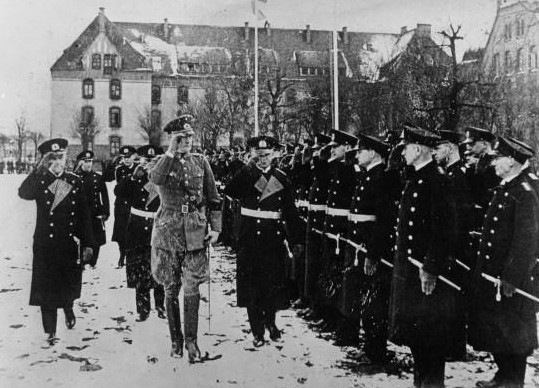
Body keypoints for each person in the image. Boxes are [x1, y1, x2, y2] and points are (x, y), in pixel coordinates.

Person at [149, 114, 222, 362]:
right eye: (182, 138)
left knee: (192, 285)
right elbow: (155, 180)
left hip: (195, 231)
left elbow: (213, 198)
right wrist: (170, 152)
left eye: (190, 136)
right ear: (172, 139)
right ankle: (175, 341)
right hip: (169, 231)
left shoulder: (201, 162)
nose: (188, 141)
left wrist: (216, 228)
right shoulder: (162, 162)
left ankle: (191, 342)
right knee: (171, 286)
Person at [388, 125, 457, 388]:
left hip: (425, 273)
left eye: (405, 148)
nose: (402, 153)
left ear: (417, 149)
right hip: (412, 270)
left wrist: (431, 268)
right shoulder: (417, 177)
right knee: (419, 339)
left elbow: (444, 231)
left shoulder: (437, 180)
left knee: (430, 340)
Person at [469, 136, 539, 388]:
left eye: (498, 159)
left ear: (511, 161)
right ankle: (503, 375)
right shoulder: (506, 187)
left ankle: (512, 381)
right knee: (498, 328)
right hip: (494, 274)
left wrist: (511, 276)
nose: (494, 163)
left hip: (511, 278)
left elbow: (526, 242)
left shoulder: (525, 192)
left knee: (513, 331)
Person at [224, 135, 304, 347]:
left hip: (273, 239)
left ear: (274, 154)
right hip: (250, 237)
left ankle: (271, 322)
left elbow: (291, 212)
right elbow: (230, 190)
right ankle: (257, 330)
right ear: (252, 155)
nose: (263, 159)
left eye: (267, 155)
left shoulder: (282, 179)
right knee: (252, 287)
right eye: (258, 156)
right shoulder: (246, 175)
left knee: (271, 285)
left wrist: (296, 240)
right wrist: (248, 169)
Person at [18, 138, 94, 345]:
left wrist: (88, 243)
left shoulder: (74, 180)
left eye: (61, 156)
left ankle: (68, 309)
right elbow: (23, 193)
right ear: (47, 160)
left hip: (68, 243)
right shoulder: (40, 179)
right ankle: (50, 330)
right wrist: (38, 169)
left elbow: (84, 215)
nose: (59, 161)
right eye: (54, 158)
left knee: (66, 285)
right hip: (45, 243)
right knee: (46, 287)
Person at [347, 133, 397, 364]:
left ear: (374, 153)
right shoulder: (369, 176)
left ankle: (376, 351)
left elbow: (383, 221)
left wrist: (373, 254)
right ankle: (370, 346)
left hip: (373, 250)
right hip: (363, 247)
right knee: (366, 298)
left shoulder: (383, 179)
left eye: (361, 151)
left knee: (374, 302)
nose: (357, 155)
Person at [115, 145, 166, 322]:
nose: (149, 164)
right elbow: (118, 193)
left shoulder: (165, 177)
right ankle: (143, 309)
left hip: (159, 225)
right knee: (140, 267)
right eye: (146, 160)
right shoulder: (135, 178)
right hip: (137, 227)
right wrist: (132, 176)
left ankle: (161, 305)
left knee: (160, 266)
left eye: (154, 160)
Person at [74, 150, 110, 268]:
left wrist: (105, 213)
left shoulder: (98, 178)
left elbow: (105, 197)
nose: (88, 164)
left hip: (95, 213)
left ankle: (93, 262)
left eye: (90, 161)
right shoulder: (75, 178)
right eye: (85, 161)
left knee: (97, 238)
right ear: (80, 162)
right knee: (82, 238)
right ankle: (82, 261)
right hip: (80, 213)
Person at [112, 145, 137, 268]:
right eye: (124, 157)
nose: (126, 159)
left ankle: (131, 255)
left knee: (133, 231)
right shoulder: (119, 170)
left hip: (134, 204)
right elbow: (118, 189)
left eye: (129, 157)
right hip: (121, 205)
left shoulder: (138, 169)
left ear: (134, 156)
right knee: (121, 232)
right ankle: (122, 255)